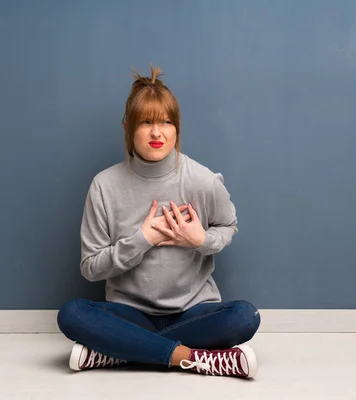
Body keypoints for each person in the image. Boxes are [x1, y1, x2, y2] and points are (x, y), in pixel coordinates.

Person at [57, 65, 260, 378]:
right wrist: (142, 240)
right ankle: (192, 358)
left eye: (166, 122)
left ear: (177, 128)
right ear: (127, 128)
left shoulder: (203, 181)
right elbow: (91, 267)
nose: (157, 133)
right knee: (71, 314)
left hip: (194, 313)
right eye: (146, 123)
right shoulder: (104, 186)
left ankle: (120, 352)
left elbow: (228, 226)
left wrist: (200, 241)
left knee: (245, 316)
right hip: (129, 314)